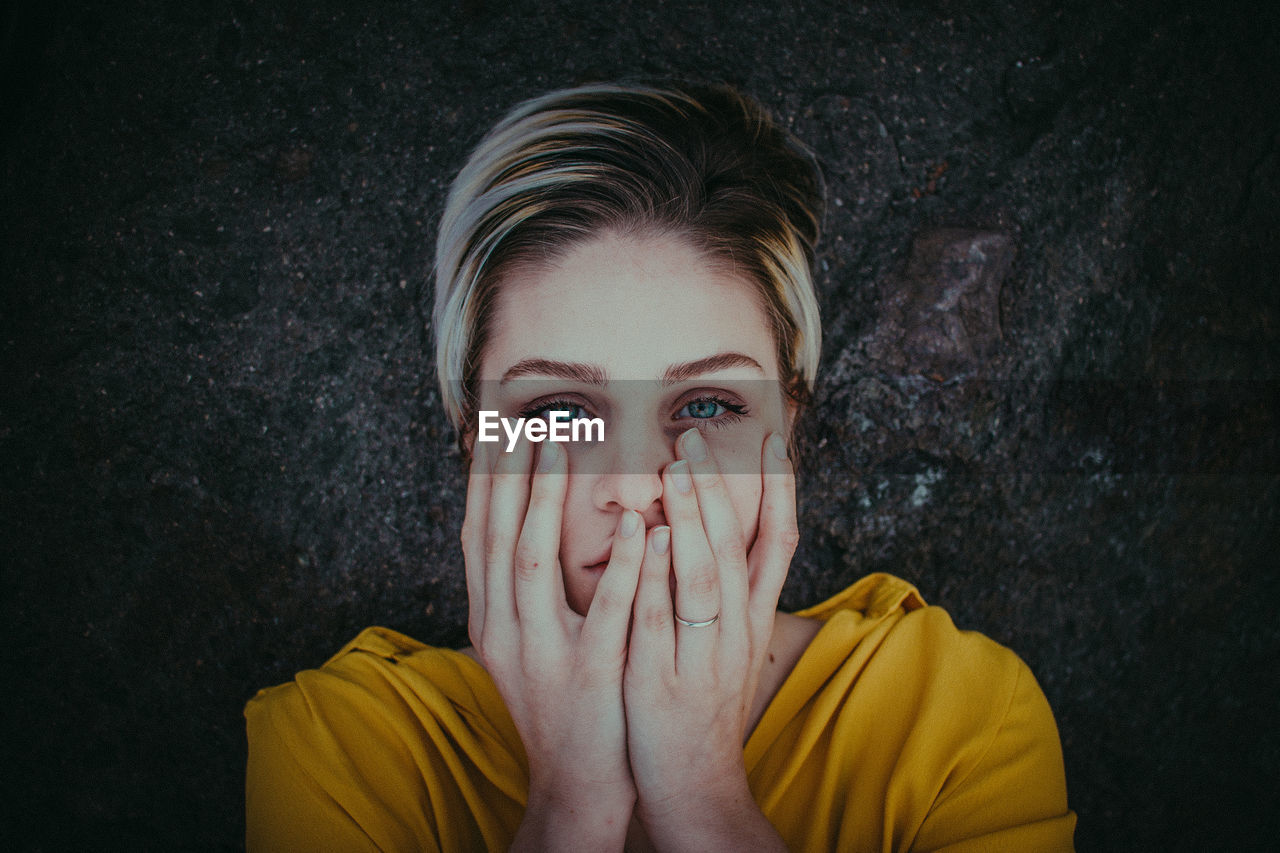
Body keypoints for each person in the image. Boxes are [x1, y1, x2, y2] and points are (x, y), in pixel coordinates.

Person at [244, 81, 1076, 851]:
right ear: (475, 438)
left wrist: (702, 795)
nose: (638, 488)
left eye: (708, 406)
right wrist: (569, 806)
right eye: (559, 411)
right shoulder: (342, 754)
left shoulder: (956, 723)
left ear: (787, 424)